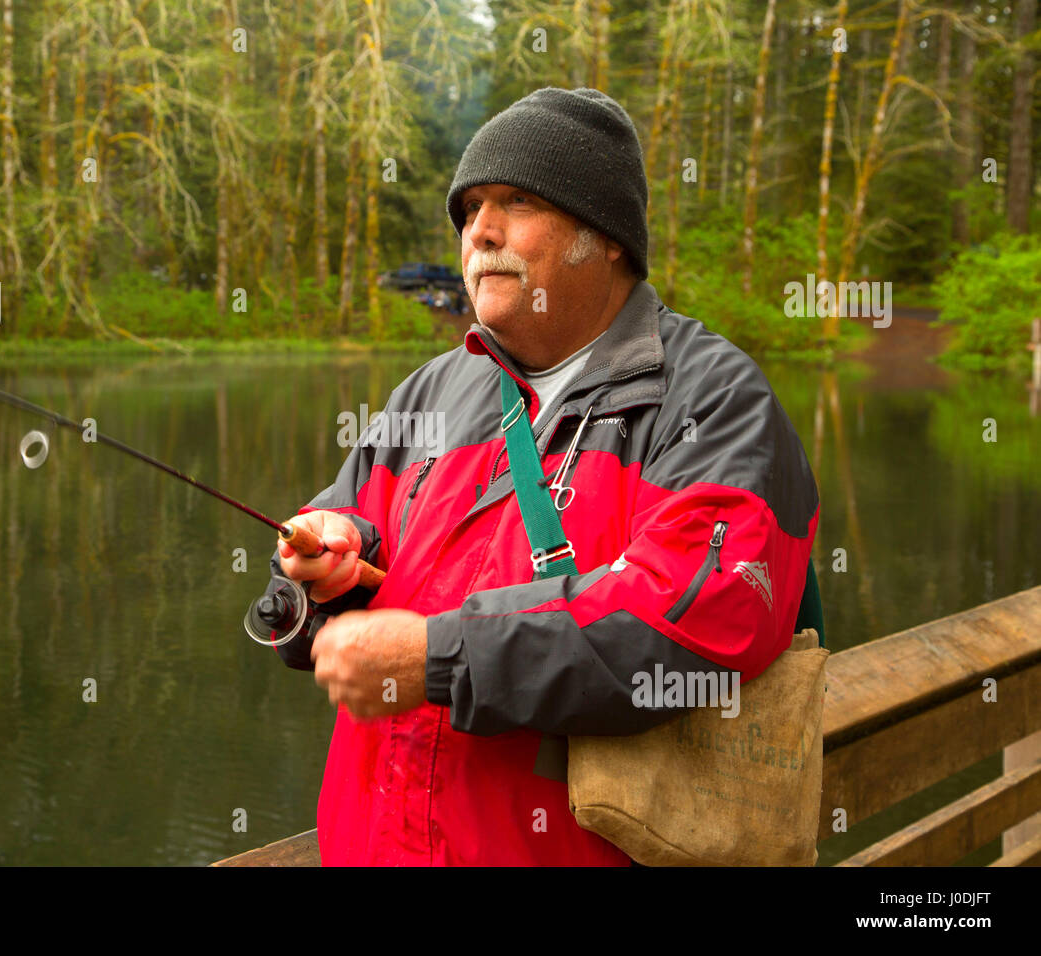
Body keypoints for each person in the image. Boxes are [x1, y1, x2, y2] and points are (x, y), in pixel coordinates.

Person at [255, 87, 819, 866]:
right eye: (468, 210)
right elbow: (317, 567)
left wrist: (440, 658)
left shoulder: (712, 395)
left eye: (514, 202)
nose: (479, 232)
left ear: (607, 235)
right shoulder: (427, 393)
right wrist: (323, 573)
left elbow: (701, 619)